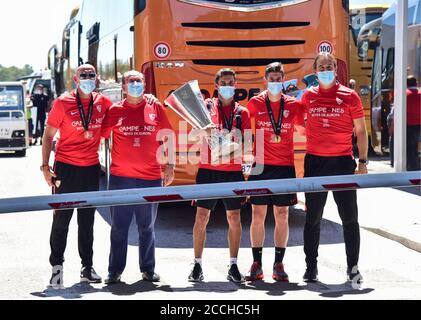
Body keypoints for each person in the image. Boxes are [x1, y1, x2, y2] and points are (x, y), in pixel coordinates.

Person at [41, 64, 113, 287]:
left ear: (97, 78)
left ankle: (87, 267)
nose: (88, 78)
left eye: (92, 75)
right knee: (62, 220)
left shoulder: (103, 103)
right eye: (84, 75)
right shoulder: (62, 103)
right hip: (66, 168)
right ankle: (56, 268)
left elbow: (119, 116)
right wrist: (45, 167)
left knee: (87, 221)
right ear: (76, 79)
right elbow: (48, 136)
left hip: (91, 168)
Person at [300, 53, 368, 284]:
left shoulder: (350, 96)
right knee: (313, 219)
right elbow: (296, 122)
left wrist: (363, 161)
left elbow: (361, 130)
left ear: (335, 70)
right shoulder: (308, 96)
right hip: (315, 162)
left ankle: (353, 267)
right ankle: (311, 267)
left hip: (342, 162)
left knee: (350, 218)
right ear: (315, 71)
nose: (326, 69)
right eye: (322, 66)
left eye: (329, 66)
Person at [102, 71, 175, 285]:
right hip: (120, 179)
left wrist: (170, 165)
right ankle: (114, 271)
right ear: (123, 87)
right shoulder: (115, 110)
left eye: (138, 81)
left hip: (151, 178)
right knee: (118, 228)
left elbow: (168, 136)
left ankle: (148, 269)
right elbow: (101, 134)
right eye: (130, 81)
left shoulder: (156, 107)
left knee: (147, 228)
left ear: (144, 85)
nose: (135, 84)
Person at [188, 68, 251, 283]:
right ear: (216, 85)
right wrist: (203, 131)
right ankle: (197, 265)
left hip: (232, 172)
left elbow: (248, 144)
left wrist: (229, 149)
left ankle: (233, 265)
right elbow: (191, 135)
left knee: (234, 218)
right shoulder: (205, 107)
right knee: (201, 218)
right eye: (223, 82)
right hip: (207, 172)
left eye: (231, 82)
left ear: (235, 85)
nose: (228, 85)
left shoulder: (242, 112)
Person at [245, 62, 305, 282]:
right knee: (257, 215)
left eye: (278, 79)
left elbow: (308, 126)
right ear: (265, 80)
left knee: (282, 215)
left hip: (285, 167)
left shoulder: (293, 105)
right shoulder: (255, 102)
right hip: (260, 166)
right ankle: (256, 264)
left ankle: (279, 264)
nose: (275, 82)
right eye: (271, 79)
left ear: (283, 79)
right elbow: (239, 120)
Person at [406, 76, 421, 171]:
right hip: (420, 124)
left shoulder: (404, 94)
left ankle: (413, 166)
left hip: (409, 124)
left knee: (411, 147)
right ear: (416, 83)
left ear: (407, 84)